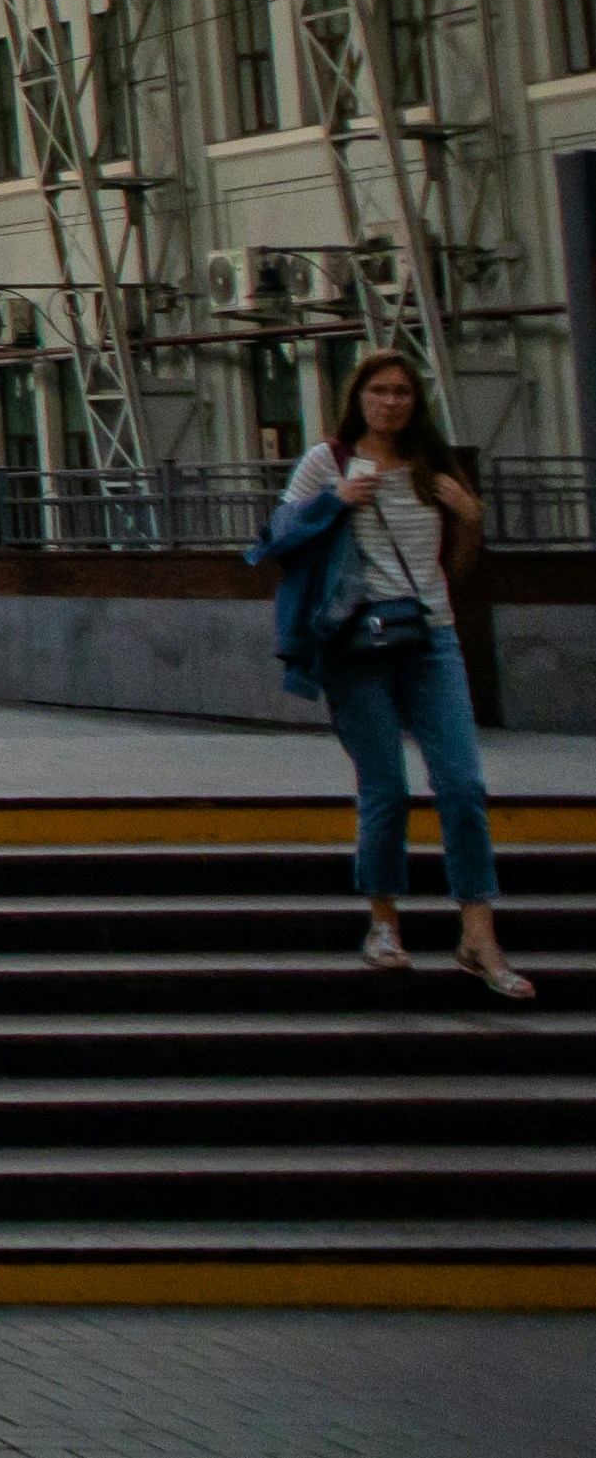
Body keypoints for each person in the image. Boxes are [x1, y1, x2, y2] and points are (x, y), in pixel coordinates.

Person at [267, 350, 530, 998]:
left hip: (429, 636)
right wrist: (333, 501)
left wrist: (468, 516)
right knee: (384, 786)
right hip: (356, 644)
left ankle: (477, 934)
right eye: (378, 390)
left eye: (402, 391)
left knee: (462, 783)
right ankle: (382, 921)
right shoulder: (325, 461)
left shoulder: (430, 463)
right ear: (357, 397)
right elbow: (277, 535)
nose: (390, 401)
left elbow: (458, 567)